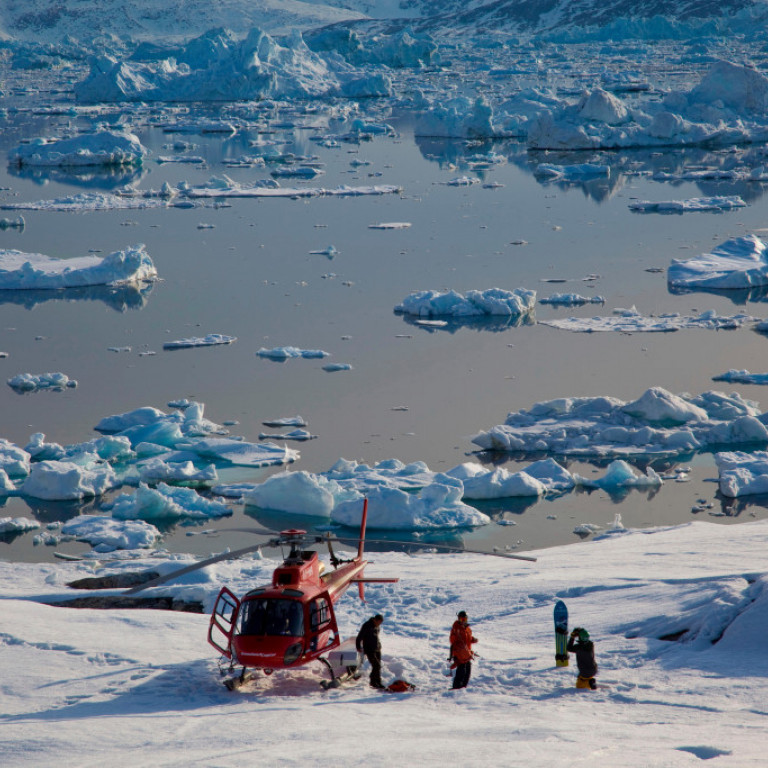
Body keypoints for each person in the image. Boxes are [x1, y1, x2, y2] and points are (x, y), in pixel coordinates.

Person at [449, 610, 478, 689]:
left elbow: (467, 639)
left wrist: (472, 639)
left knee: (467, 671)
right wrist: (455, 634)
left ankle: (463, 688)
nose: (463, 621)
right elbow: (452, 641)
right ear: (458, 619)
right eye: (461, 619)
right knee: (461, 671)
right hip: (459, 654)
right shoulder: (456, 628)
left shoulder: (467, 629)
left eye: (464, 619)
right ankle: (456, 688)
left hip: (467, 654)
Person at [356, 614, 385, 689]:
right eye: (379, 622)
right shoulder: (367, 625)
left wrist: (379, 646)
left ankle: (378, 682)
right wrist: (358, 646)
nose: (379, 624)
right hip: (369, 649)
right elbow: (359, 637)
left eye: (380, 623)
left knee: (378, 666)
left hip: (377, 648)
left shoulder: (377, 626)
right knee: (376, 665)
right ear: (375, 620)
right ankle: (373, 682)